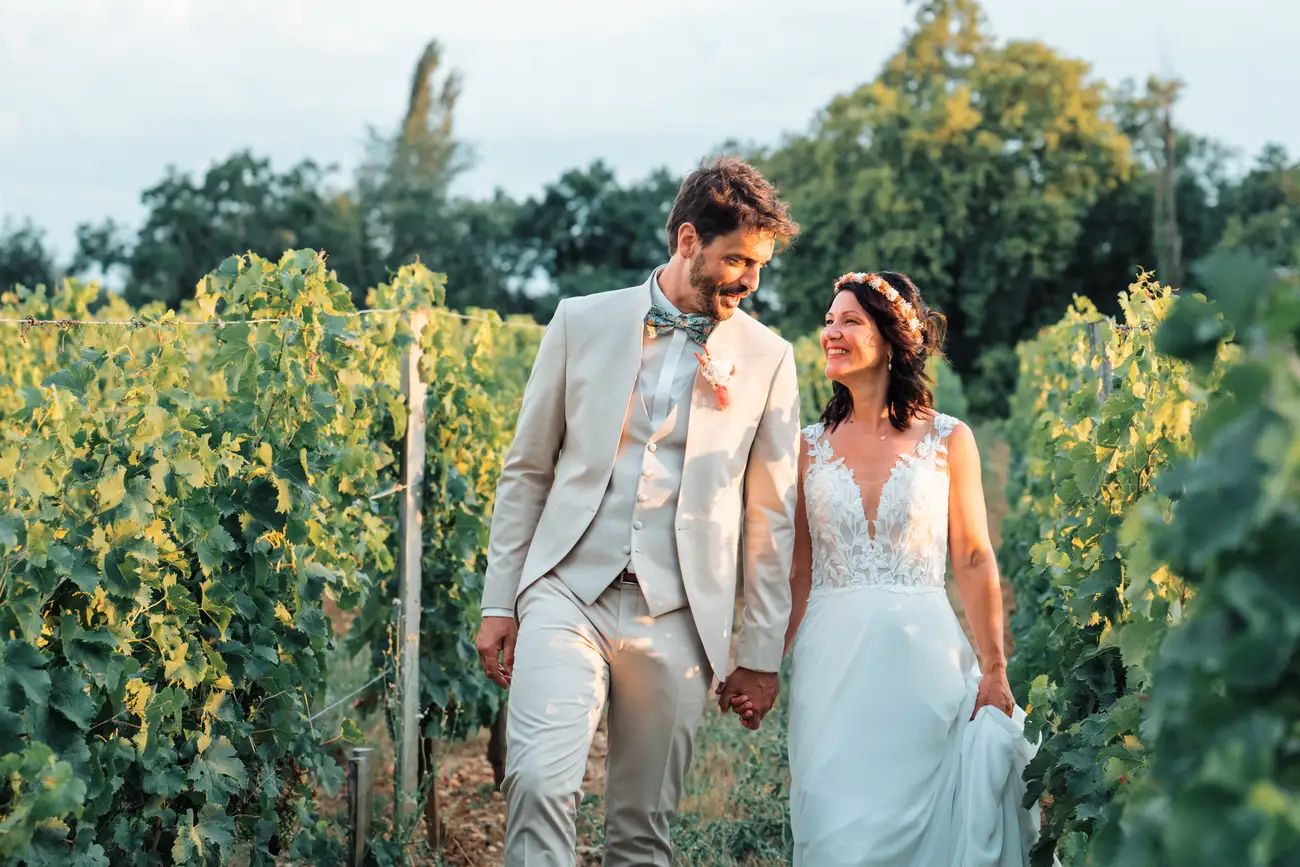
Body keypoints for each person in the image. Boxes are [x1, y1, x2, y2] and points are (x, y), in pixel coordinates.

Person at [474, 156, 803, 866]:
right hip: (567, 590)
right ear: (688, 241)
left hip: (680, 615)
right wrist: (501, 599)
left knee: (640, 830)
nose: (751, 280)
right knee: (535, 781)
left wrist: (759, 653)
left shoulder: (770, 358)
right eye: (738, 259)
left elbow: (771, 517)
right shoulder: (578, 322)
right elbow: (527, 468)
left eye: (761, 264)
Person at [721, 271, 1040, 866]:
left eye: (850, 321)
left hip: (925, 665)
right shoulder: (806, 446)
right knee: (838, 831)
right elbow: (799, 571)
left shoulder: (950, 439)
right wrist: (763, 667)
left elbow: (972, 557)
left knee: (924, 830)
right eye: (828, 320)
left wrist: (994, 668)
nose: (831, 333)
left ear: (892, 340)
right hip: (831, 666)